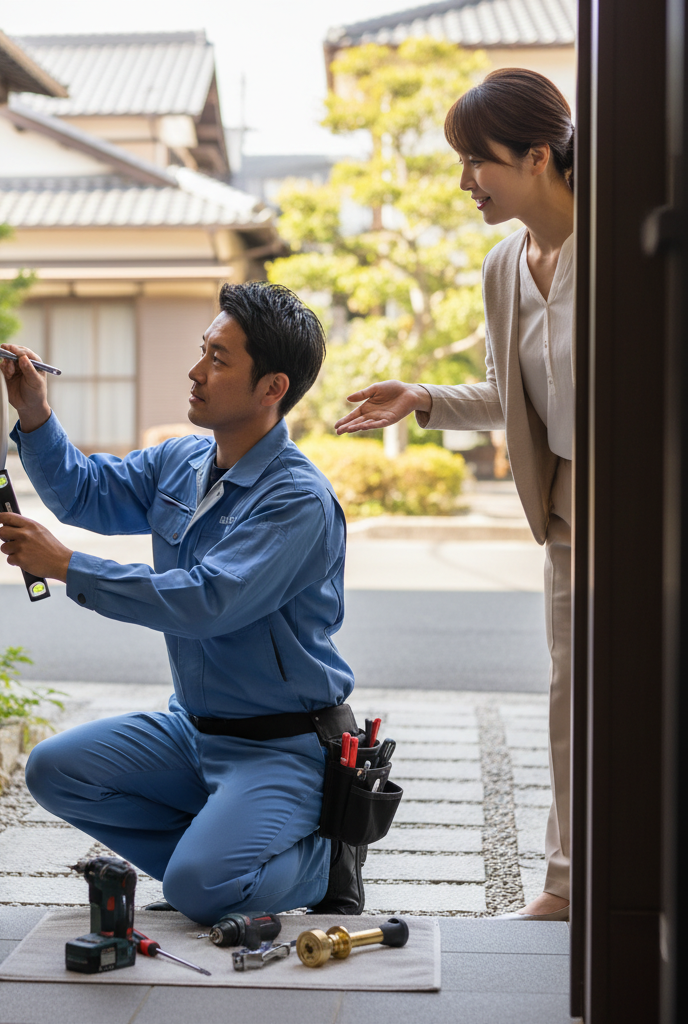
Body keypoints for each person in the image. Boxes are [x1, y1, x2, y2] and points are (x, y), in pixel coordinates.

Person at [0, 282, 362, 924]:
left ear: (272, 388)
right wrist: (35, 414)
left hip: (282, 746)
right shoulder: (183, 461)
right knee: (53, 771)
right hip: (192, 731)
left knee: (198, 892)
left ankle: (325, 859)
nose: (195, 372)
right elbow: (85, 493)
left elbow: (205, 602)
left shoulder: (297, 500)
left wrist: (68, 566)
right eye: (202, 351)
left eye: (218, 360)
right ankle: (217, 857)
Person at [337, 68, 575, 922]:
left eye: (479, 160)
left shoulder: (624, 244)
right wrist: (424, 398)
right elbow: (510, 395)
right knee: (572, 697)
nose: (466, 180)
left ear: (538, 156)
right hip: (569, 511)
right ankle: (567, 884)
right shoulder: (504, 265)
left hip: (651, 505)